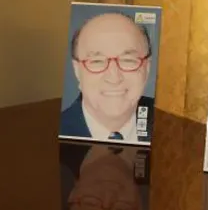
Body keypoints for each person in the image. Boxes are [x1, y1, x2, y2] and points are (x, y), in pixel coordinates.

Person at [60, 11, 155, 143]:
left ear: (147, 68)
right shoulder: (52, 131)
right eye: (97, 61)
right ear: (77, 71)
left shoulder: (170, 126)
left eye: (128, 60)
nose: (114, 78)